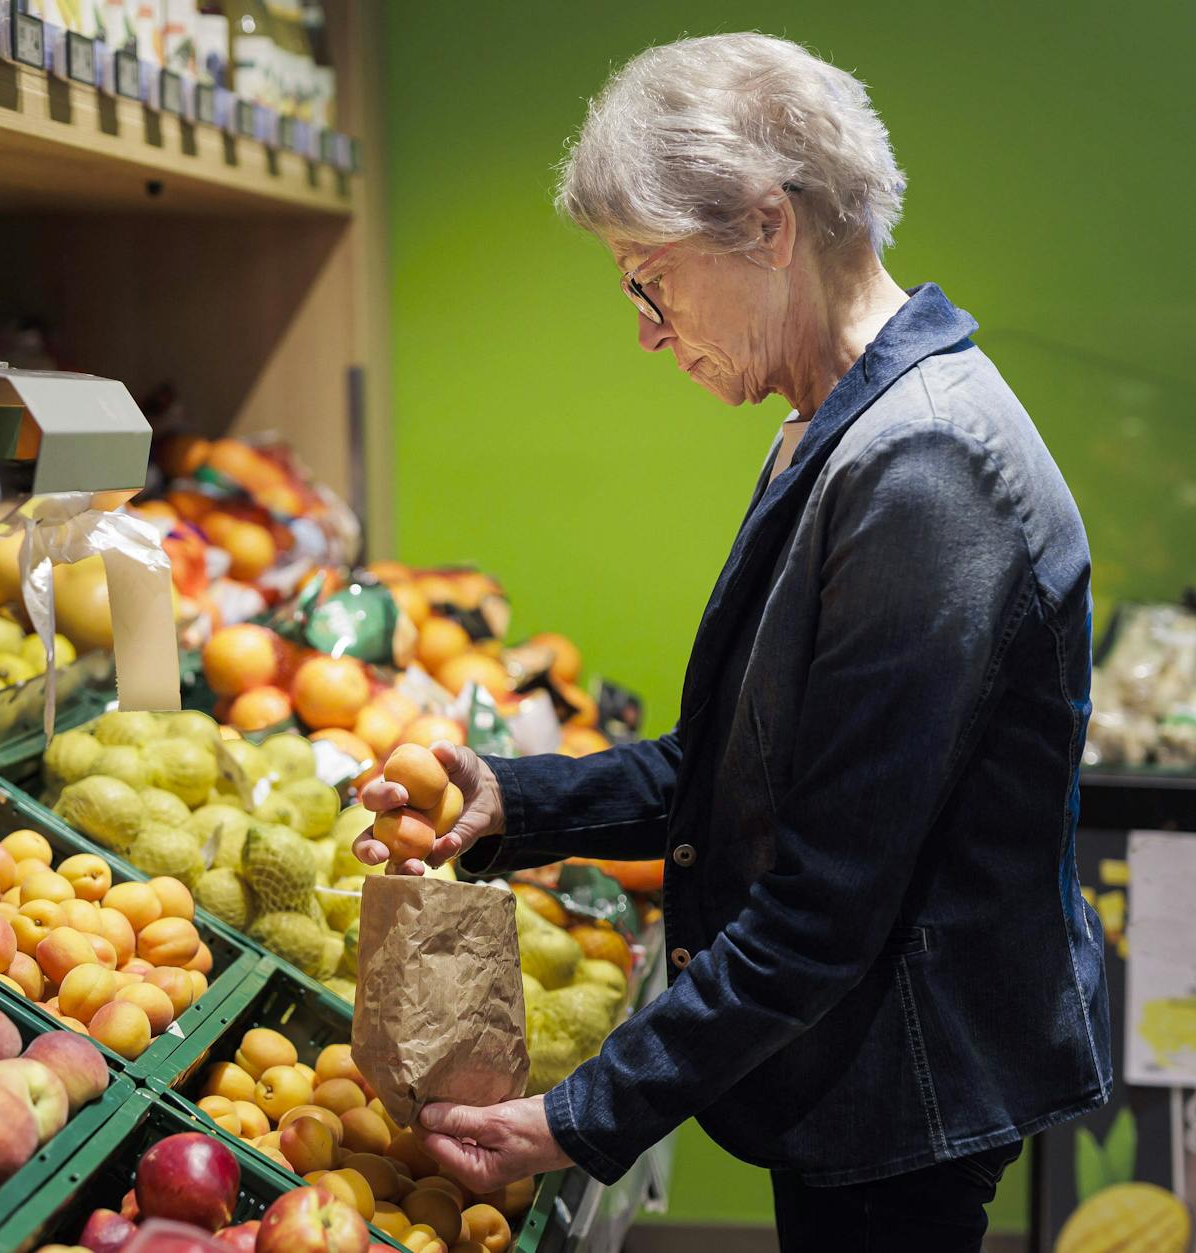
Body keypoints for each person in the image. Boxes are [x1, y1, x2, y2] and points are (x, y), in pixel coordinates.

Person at [352, 32, 1111, 1250]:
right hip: (855, 1057)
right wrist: (513, 798)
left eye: (648, 276)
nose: (647, 329)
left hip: (900, 1085)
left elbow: (826, 899)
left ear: (767, 227)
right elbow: (747, 762)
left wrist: (583, 1115)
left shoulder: (920, 466)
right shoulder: (831, 423)